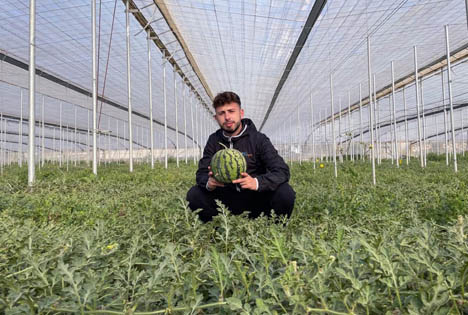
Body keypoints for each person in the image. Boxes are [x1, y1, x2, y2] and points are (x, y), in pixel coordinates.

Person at [186, 91, 296, 223]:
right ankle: (215, 229)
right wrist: (209, 183)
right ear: (216, 118)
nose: (227, 117)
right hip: (224, 201)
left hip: (256, 199)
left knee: (285, 193)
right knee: (194, 194)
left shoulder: (258, 139)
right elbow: (201, 173)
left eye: (231, 111)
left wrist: (256, 182)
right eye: (222, 113)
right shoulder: (214, 140)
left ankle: (274, 231)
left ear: (241, 113)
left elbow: (282, 171)